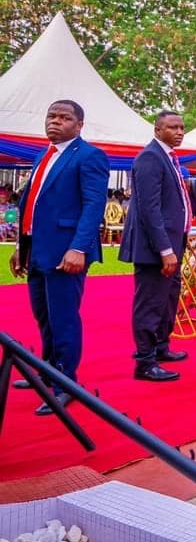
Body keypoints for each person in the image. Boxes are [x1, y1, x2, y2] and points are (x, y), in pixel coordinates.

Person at [9, 100, 108, 413]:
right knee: (43, 317)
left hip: (67, 253)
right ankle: (47, 372)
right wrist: (20, 247)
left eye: (64, 118)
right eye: (51, 116)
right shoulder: (44, 155)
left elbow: (93, 206)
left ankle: (65, 385)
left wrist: (78, 248)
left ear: (79, 125)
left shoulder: (90, 156)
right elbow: (33, 205)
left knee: (63, 319)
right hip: (37, 250)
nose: (55, 121)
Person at [119, 110, 191, 383]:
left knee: (168, 299)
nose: (179, 132)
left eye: (182, 127)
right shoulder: (150, 157)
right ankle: (145, 361)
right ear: (157, 130)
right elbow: (150, 209)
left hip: (173, 243)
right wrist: (165, 249)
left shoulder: (168, 157)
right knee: (150, 302)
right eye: (173, 127)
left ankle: (161, 346)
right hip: (155, 249)